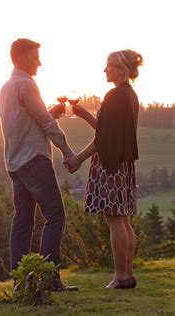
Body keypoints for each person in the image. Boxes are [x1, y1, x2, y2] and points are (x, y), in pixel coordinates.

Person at [0, 38, 78, 291]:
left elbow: (25, 121)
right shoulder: (27, 85)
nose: (40, 63)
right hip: (34, 161)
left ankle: (21, 283)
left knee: (22, 222)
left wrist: (51, 112)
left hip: (15, 164)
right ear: (22, 57)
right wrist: (66, 150)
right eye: (35, 57)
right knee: (55, 216)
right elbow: (44, 122)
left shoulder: (5, 88)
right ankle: (49, 279)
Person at [66, 49, 143, 289]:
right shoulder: (129, 95)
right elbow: (105, 129)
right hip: (123, 163)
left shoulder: (114, 95)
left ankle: (120, 277)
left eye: (108, 66)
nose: (105, 70)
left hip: (110, 163)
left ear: (121, 69)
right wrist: (85, 115)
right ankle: (127, 274)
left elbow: (103, 140)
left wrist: (78, 158)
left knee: (115, 220)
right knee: (122, 219)